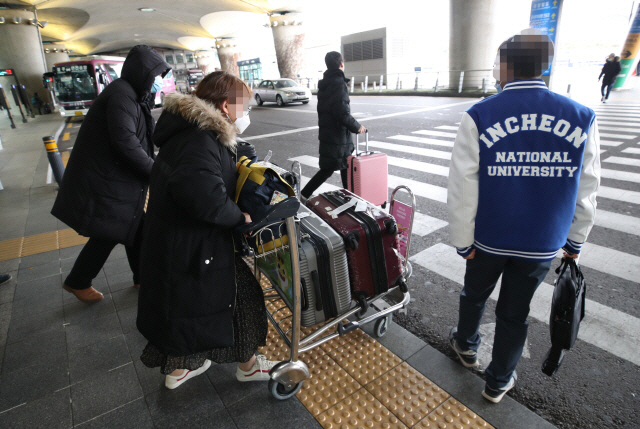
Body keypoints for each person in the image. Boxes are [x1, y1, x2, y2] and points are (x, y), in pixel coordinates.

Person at [447, 29, 600, 404]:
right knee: (515, 313)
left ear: (505, 64)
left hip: (489, 238)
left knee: (475, 293)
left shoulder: (481, 114)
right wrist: (575, 241)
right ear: (544, 66)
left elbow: (464, 185)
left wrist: (463, 240)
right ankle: (498, 380)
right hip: (542, 242)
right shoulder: (581, 117)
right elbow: (588, 185)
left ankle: (466, 346)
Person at [136, 71, 278, 390]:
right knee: (242, 300)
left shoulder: (192, 132)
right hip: (194, 246)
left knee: (185, 309)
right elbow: (206, 199)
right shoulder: (198, 140)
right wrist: (240, 218)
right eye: (243, 106)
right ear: (226, 106)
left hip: (179, 243)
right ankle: (249, 366)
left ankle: (179, 369)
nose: (245, 114)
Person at [51, 45, 170, 303]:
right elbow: (125, 140)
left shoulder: (132, 94)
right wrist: (155, 171)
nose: (160, 81)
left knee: (136, 226)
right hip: (106, 177)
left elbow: (140, 137)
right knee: (112, 230)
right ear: (144, 73)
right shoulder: (122, 95)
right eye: (157, 75)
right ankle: (78, 281)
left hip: (115, 175)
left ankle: (142, 278)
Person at [300, 51, 366, 200]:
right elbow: (341, 112)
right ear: (341, 64)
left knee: (338, 167)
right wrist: (357, 127)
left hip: (328, 133)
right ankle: (349, 198)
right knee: (336, 167)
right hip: (338, 136)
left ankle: (305, 195)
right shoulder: (338, 83)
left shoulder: (325, 83)